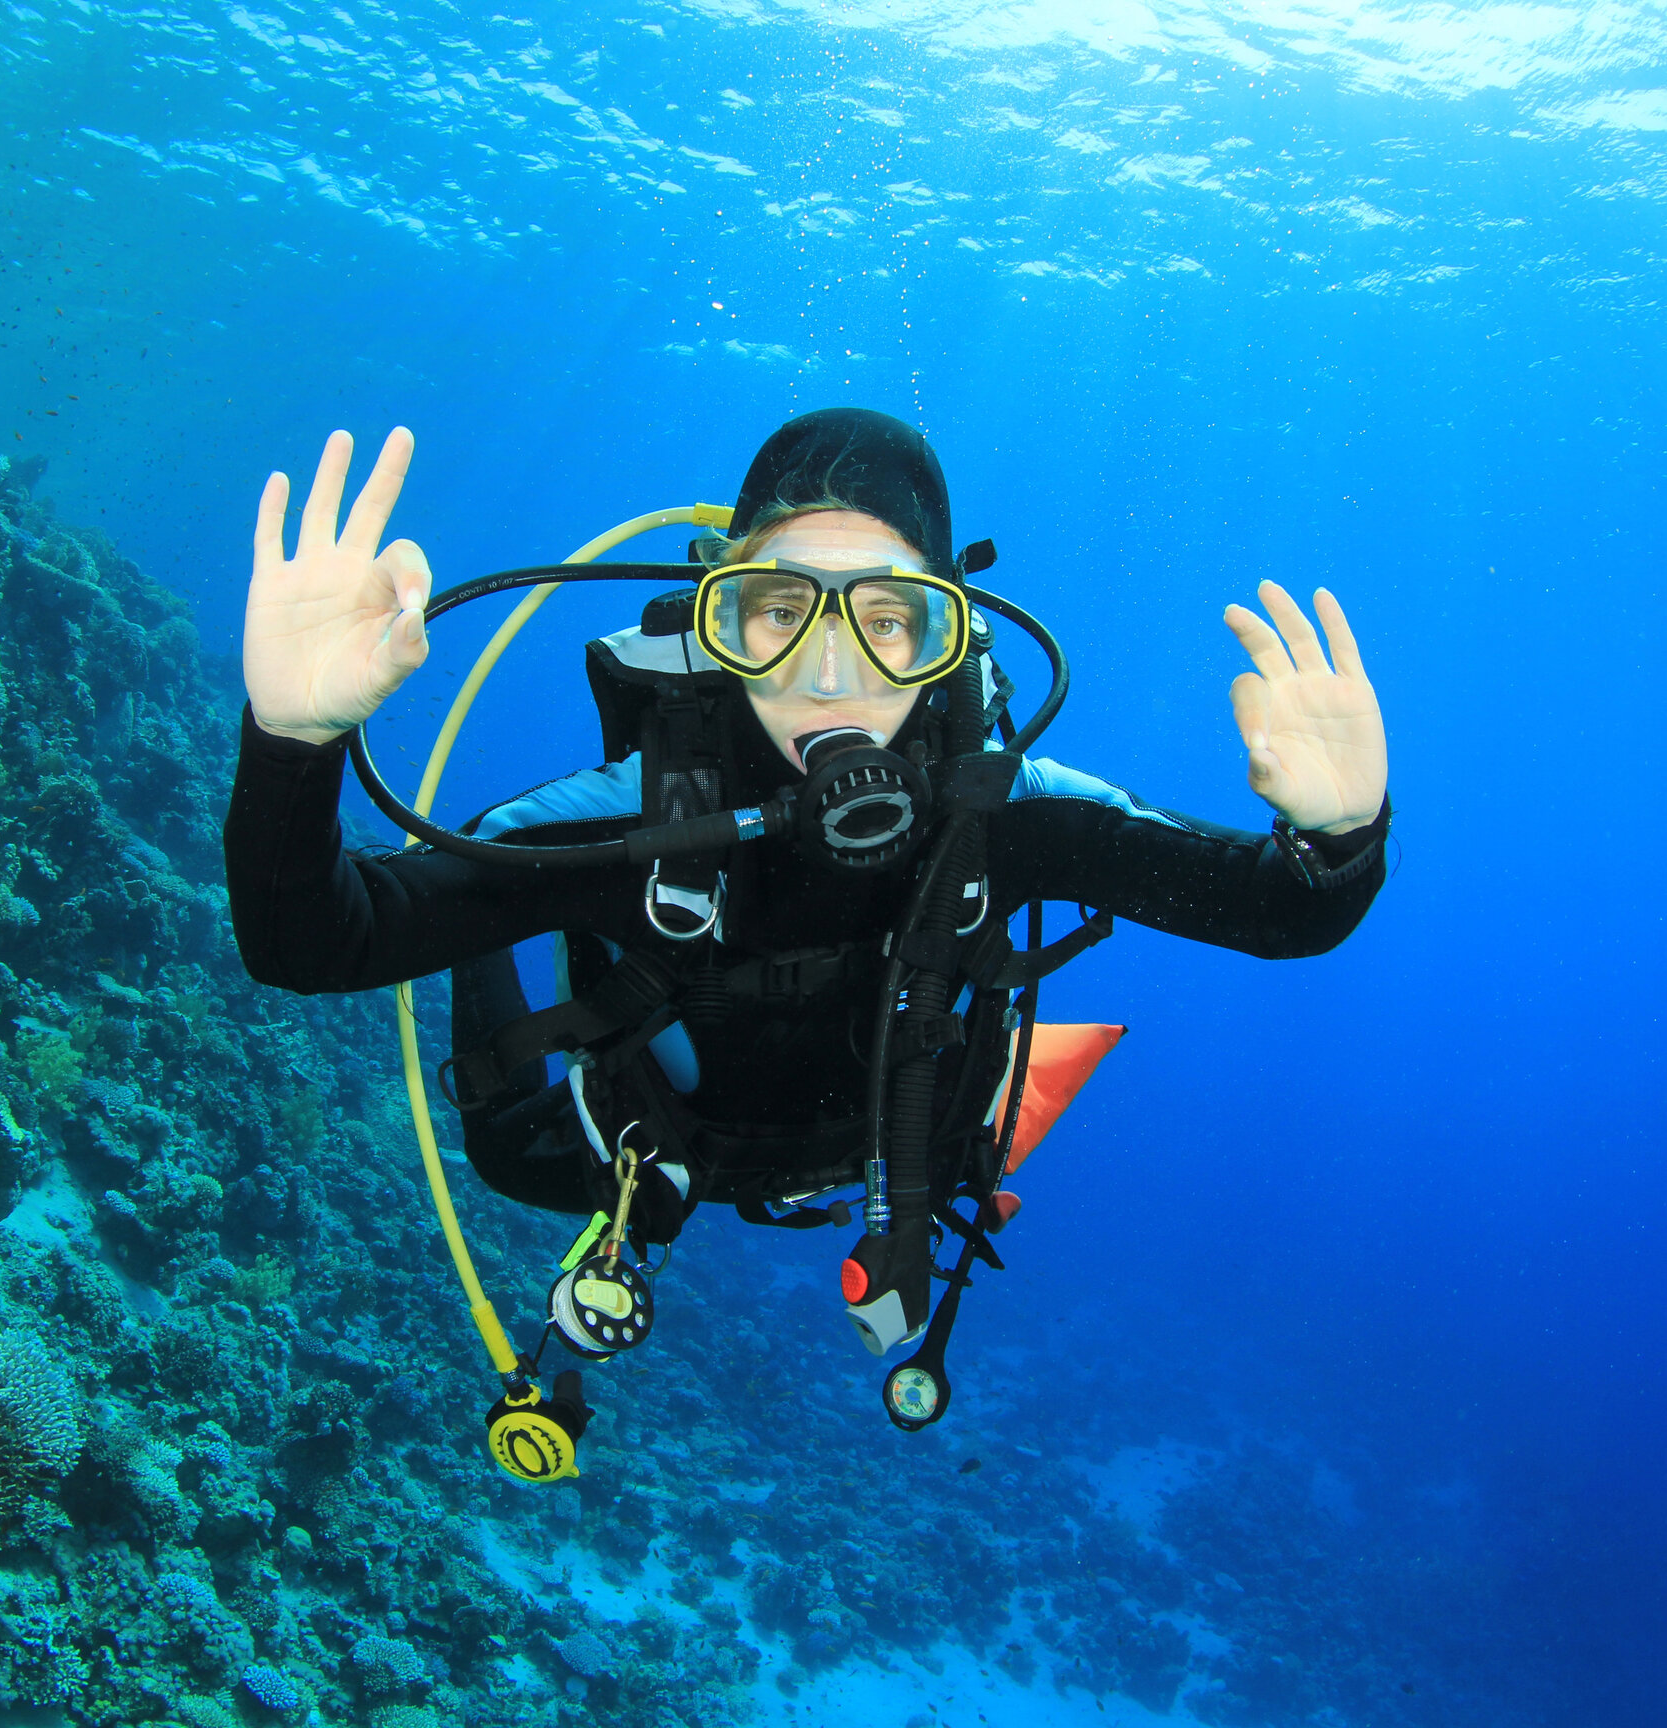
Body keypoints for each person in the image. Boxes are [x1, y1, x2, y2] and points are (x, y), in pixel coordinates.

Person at [224, 408, 1389, 1370]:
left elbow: (1283, 912)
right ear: (720, 619)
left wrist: (1340, 835)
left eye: (893, 622)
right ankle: (500, 936)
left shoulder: (1009, 809)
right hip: (648, 1145)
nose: (832, 672)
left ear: (954, 638)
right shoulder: (635, 814)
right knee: (509, 1146)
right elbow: (313, 942)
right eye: (779, 613)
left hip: (913, 1155)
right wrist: (291, 741)